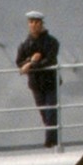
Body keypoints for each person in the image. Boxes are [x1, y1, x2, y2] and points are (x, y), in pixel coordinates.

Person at [15, 10, 61, 147]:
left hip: (50, 82)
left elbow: (49, 61)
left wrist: (30, 65)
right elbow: (19, 62)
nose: (33, 25)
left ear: (41, 24)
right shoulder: (25, 44)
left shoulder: (52, 42)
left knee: (51, 112)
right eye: (31, 22)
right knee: (44, 113)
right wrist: (30, 60)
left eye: (36, 22)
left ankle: (50, 142)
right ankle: (54, 139)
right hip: (36, 84)